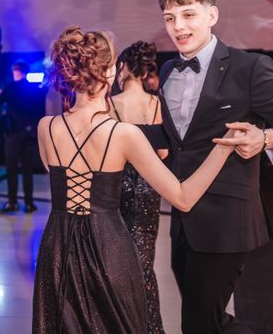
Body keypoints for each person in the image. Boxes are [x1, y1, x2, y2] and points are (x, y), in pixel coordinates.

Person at [32, 26, 240, 333]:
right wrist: (225, 147)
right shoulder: (123, 134)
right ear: (110, 71)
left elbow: (58, 177)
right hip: (107, 248)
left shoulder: (46, 127)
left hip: (57, 249)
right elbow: (183, 197)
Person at [157, 0, 273, 334]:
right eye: (169, 18)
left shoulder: (249, 68)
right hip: (182, 222)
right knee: (210, 318)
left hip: (226, 221)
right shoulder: (168, 70)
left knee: (198, 323)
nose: (177, 26)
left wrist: (265, 138)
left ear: (212, 15)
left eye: (188, 14)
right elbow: (176, 138)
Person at [110, 40, 168, 334]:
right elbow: (163, 153)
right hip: (148, 188)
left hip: (117, 186)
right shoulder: (155, 103)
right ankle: (151, 328)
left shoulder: (111, 105)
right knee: (144, 265)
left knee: (117, 262)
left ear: (123, 67)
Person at [0, 62, 46, 214]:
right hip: (30, 133)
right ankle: (29, 203)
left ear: (16, 72)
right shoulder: (34, 88)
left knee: (11, 169)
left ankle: (12, 202)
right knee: (27, 169)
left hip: (15, 133)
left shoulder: (12, 87)